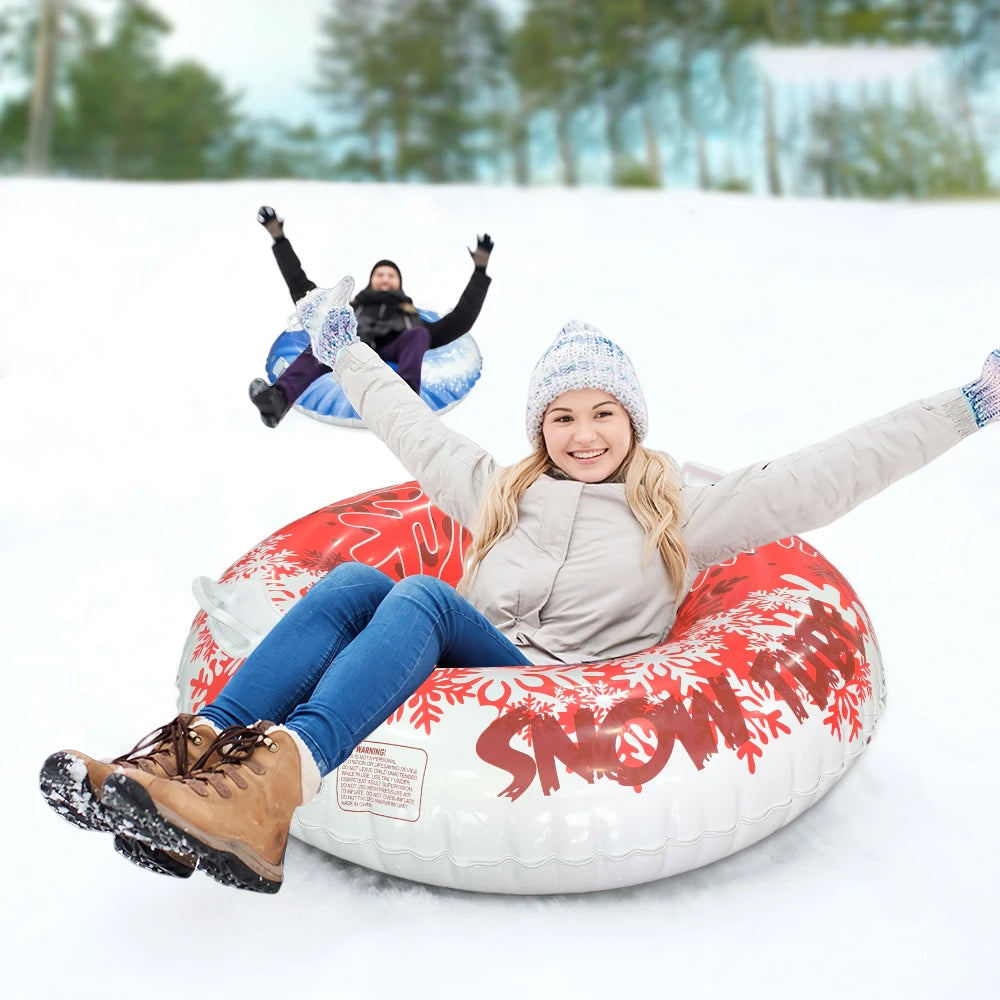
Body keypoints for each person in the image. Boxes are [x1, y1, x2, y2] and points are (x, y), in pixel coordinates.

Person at [39, 288, 1000, 894]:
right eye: (563, 417)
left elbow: (829, 473)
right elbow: (415, 430)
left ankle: (278, 786)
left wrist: (971, 405)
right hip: (465, 665)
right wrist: (347, 351)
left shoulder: (682, 512)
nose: (585, 435)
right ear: (541, 426)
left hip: (560, 692)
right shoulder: (504, 492)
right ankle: (191, 760)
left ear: (633, 421)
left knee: (420, 597)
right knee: (356, 580)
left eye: (604, 413)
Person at [248, 206, 495, 427]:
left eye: (391, 275)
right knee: (324, 337)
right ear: (371, 281)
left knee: (419, 335)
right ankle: (277, 400)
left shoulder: (412, 319)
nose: (385, 278)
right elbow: (303, 290)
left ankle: (407, 409)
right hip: (351, 344)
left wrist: (480, 272)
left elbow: (460, 320)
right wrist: (279, 238)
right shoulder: (349, 309)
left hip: (397, 347)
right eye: (380, 274)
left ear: (399, 283)